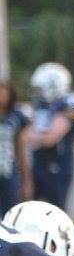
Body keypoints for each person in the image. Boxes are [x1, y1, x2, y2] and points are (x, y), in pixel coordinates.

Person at [26, 63, 74, 210]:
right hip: (38, 164)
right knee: (31, 210)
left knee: (56, 211)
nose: (37, 92)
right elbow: (26, 135)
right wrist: (39, 136)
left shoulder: (68, 103)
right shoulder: (40, 105)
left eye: (39, 88)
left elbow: (50, 139)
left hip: (58, 166)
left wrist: (37, 136)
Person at [0, 81, 31, 214]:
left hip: (9, 171)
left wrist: (26, 179)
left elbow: (21, 149)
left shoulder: (15, 117)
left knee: (10, 212)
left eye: (5, 94)